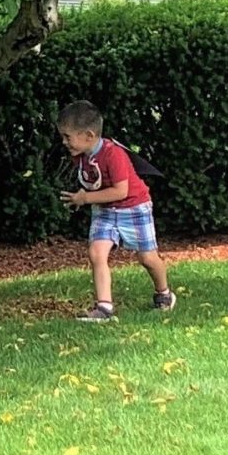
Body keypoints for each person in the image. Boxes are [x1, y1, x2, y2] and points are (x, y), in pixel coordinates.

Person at [57, 100, 175, 322]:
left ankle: (164, 293)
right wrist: (85, 195)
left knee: (147, 258)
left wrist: (85, 198)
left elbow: (121, 191)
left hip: (134, 207)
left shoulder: (114, 154)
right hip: (105, 211)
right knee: (96, 253)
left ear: (89, 135)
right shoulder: (80, 155)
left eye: (67, 136)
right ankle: (104, 308)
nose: (64, 142)